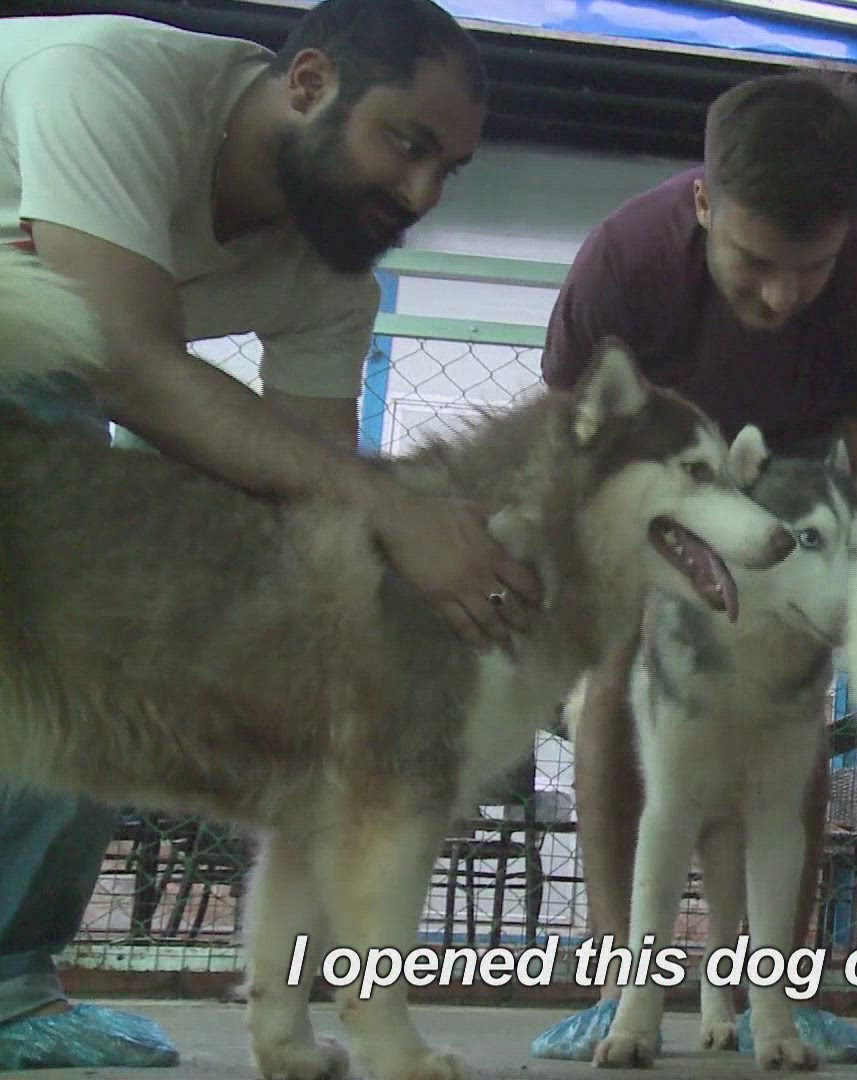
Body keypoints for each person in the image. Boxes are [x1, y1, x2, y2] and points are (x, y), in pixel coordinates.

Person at [0, 1, 533, 1069]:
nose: (421, 195)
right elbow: (129, 363)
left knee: (117, 630)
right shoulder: (104, 79)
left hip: (53, 367)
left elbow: (310, 500)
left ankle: (11, 990)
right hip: (61, 362)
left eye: (448, 169)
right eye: (406, 143)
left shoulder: (330, 277)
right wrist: (396, 510)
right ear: (309, 84)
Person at [528, 71, 857, 1065]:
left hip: (792, 499)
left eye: (812, 267)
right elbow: (579, 458)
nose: (782, 294)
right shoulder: (624, 265)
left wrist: (794, 592)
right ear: (705, 202)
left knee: (793, 702)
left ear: (849, 232)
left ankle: (774, 996)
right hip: (653, 492)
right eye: (755, 262)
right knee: (616, 679)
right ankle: (623, 984)